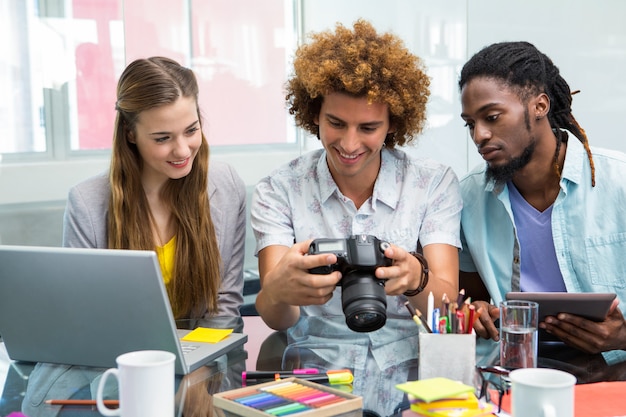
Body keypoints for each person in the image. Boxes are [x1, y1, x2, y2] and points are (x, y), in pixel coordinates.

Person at [250, 20, 462, 415]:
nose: (349, 144)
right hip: (315, 381)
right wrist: (280, 289)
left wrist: (416, 279)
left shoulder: (432, 184)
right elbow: (276, 318)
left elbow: (446, 307)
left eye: (368, 127)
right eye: (335, 123)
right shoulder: (279, 190)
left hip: (416, 381)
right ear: (314, 113)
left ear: (394, 123)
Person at [458, 41, 626, 378]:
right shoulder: (469, 196)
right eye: (470, 124)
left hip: (614, 367)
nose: (479, 135)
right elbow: (470, 297)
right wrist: (477, 311)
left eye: (491, 117)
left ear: (540, 105)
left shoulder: (618, 181)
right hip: (512, 369)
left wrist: (622, 336)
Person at [63, 56, 246, 319]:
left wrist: (203, 361)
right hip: (125, 355)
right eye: (163, 138)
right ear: (130, 133)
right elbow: (84, 314)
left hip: (202, 352)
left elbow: (224, 304)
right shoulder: (87, 204)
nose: (183, 150)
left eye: (191, 130)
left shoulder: (226, 185)